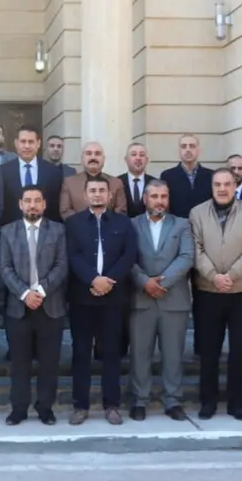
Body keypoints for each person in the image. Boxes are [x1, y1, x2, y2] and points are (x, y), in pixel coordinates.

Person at [189, 169, 242, 420]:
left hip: (240, 292)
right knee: (209, 351)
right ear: (212, 187)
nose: (222, 189)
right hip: (208, 292)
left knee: (240, 351)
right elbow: (195, 249)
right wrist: (214, 276)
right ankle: (208, 402)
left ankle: (236, 404)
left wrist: (231, 275)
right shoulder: (197, 213)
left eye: (227, 184)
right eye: (217, 184)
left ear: (235, 186)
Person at [65, 175, 138, 425]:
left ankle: (112, 405)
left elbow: (129, 255)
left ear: (109, 195)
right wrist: (93, 280)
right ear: (85, 195)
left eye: (101, 190)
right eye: (93, 190)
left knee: (112, 353)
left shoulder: (123, 223)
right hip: (82, 298)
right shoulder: (73, 223)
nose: (97, 194)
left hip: (114, 297)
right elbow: (72, 255)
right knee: (81, 353)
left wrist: (108, 281)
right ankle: (80, 405)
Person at [0, 185, 68, 425]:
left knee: (49, 363)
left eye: (37, 200)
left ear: (44, 204)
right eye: (27, 200)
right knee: (20, 364)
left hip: (51, 306)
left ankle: (45, 407)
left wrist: (40, 291)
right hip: (18, 308)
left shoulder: (58, 231)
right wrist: (25, 293)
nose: (32, 205)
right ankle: (18, 408)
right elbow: (5, 268)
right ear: (20, 204)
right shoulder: (7, 232)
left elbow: (61, 265)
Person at [128, 179, 193, 422]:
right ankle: (139, 399)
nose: (159, 201)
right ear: (145, 199)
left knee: (173, 354)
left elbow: (186, 257)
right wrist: (145, 281)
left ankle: (172, 400)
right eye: (154, 196)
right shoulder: (131, 225)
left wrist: (161, 283)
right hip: (140, 298)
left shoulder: (182, 225)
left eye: (163, 196)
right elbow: (126, 257)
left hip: (173, 300)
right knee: (140, 353)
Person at [159, 134, 213, 219]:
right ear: (179, 151)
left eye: (192, 146)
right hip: (177, 225)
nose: (188, 150)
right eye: (183, 146)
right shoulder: (167, 176)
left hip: (204, 225)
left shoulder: (211, 175)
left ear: (198, 150)